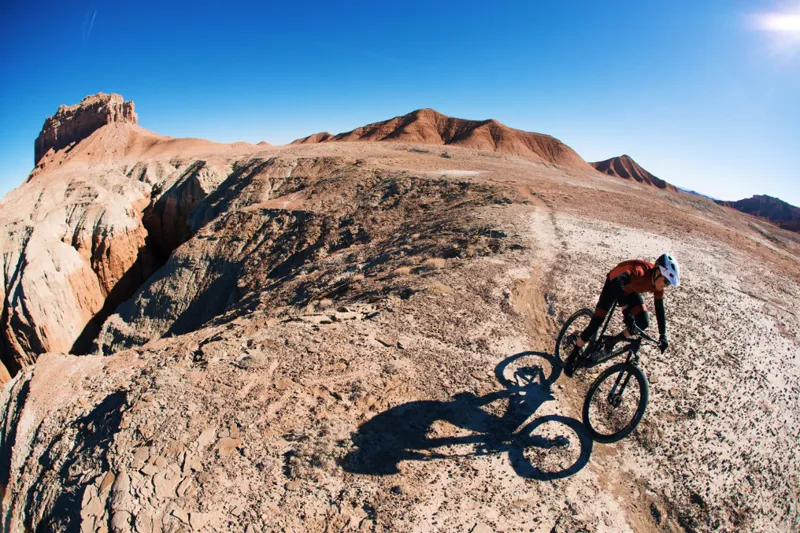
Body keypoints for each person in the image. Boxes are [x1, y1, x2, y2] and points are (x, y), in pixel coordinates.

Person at [565, 254, 680, 377]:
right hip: (613, 283)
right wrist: (626, 311)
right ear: (657, 272)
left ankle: (612, 341)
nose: (665, 286)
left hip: (629, 289)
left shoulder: (658, 286)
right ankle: (572, 356)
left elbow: (659, 308)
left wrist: (663, 335)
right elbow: (617, 280)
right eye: (666, 281)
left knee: (643, 323)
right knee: (596, 324)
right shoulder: (640, 271)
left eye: (668, 284)